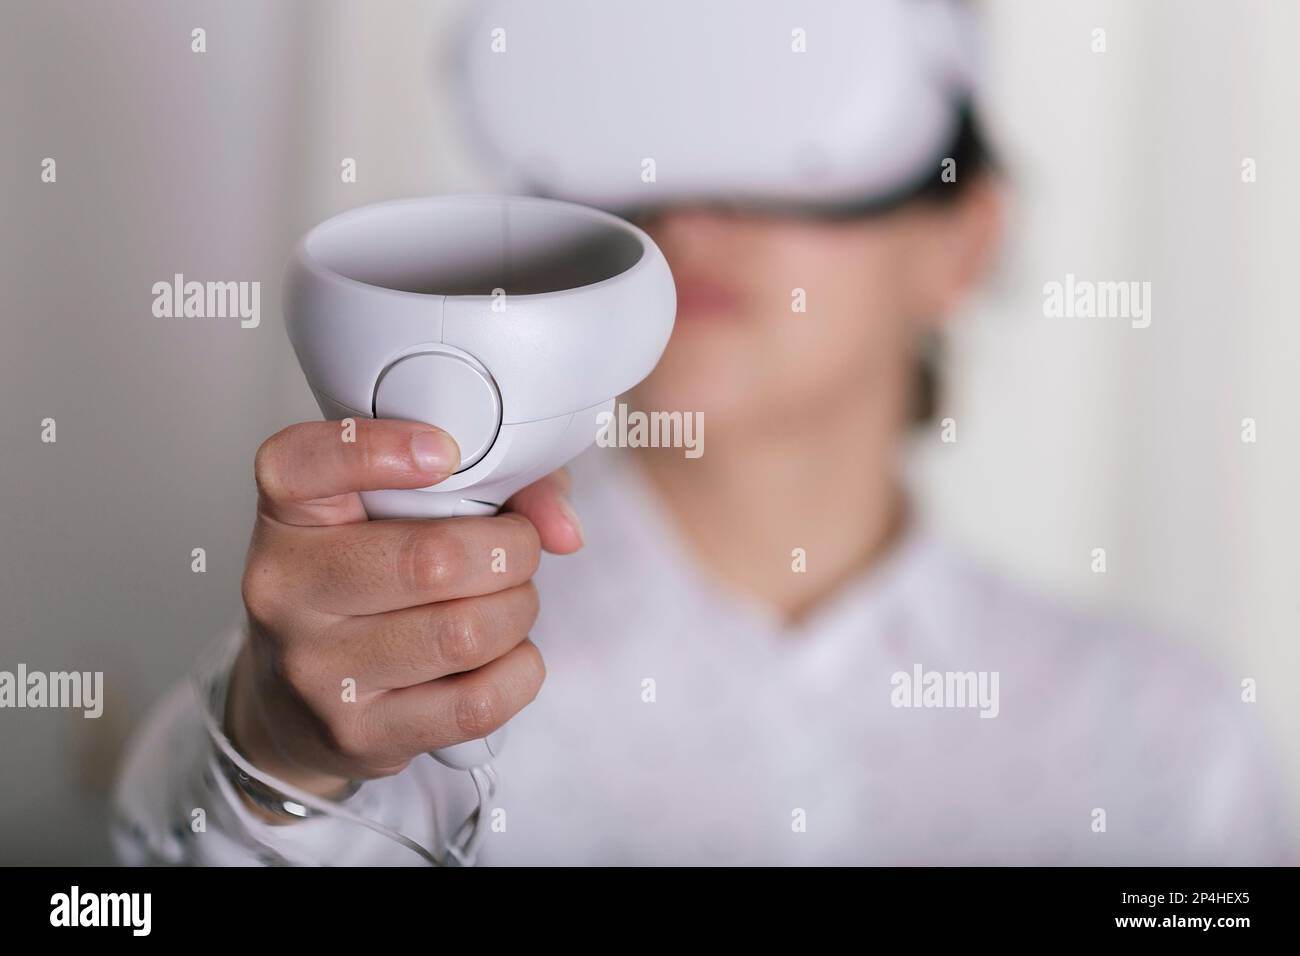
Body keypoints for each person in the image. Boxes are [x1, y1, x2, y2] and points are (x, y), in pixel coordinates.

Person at [111, 14, 1291, 866]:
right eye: (647, 137)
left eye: (791, 133)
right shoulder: (394, 675)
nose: (691, 208)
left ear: (963, 238)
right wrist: (277, 748)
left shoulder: (1167, 738)